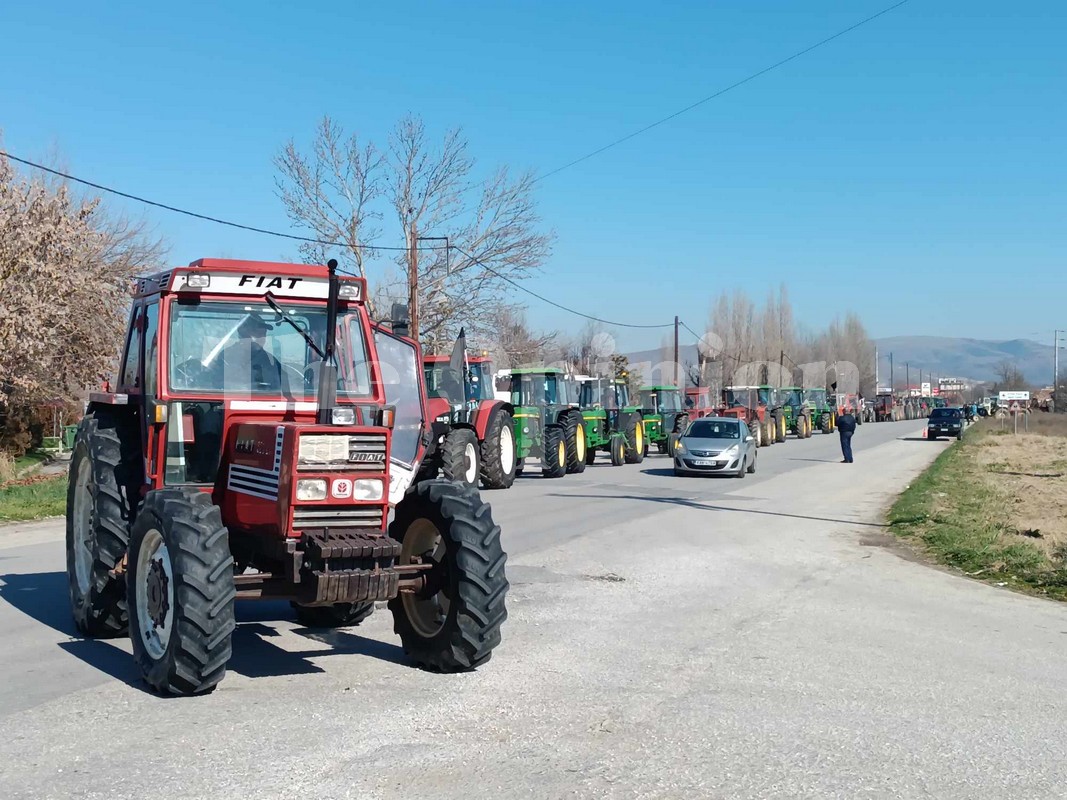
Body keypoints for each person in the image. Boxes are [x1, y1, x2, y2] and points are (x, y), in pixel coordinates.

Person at [219, 315, 290, 395]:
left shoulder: (270, 360)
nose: (263, 338)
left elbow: (283, 389)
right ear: (243, 333)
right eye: (258, 334)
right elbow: (213, 385)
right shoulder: (226, 356)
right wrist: (244, 388)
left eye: (264, 334)